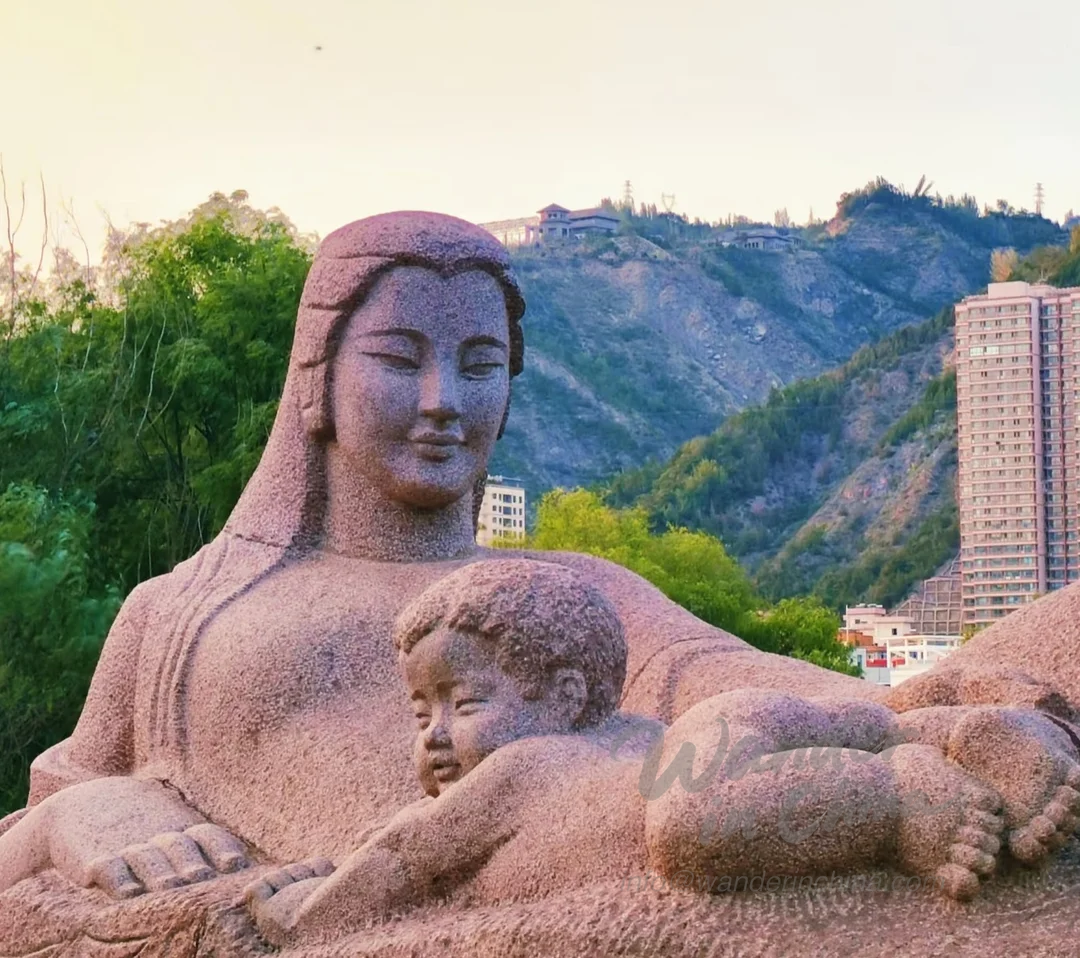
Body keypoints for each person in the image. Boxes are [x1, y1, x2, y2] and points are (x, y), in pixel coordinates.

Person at [2, 212, 1077, 951]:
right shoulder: (182, 615)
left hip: (636, 831)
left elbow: (738, 681)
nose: (442, 400)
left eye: (479, 365)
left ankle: (951, 745)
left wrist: (944, 709)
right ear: (315, 384)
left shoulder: (555, 594)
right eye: (398, 358)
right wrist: (78, 819)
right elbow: (29, 833)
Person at [245, 558, 1075, 946]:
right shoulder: (603, 751)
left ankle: (903, 797)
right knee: (858, 721)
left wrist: (301, 916)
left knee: (689, 829)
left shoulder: (518, 773)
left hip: (705, 757)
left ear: (565, 700)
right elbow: (380, 844)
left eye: (463, 704)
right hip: (730, 740)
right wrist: (309, 870)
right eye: (418, 710)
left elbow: (397, 859)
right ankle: (952, 729)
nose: (432, 734)